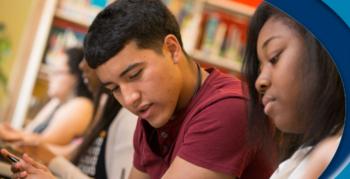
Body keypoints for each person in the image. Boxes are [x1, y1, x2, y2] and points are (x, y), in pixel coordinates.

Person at [242, 2, 345, 178]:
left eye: (274, 58)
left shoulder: (328, 157)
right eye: (259, 70)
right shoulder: (299, 160)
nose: (260, 82)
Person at [1, 59, 138, 179]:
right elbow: (72, 153)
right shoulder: (104, 108)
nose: (82, 65)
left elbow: (49, 144)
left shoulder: (125, 117)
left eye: (89, 56)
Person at [0, 47, 94, 151]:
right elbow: (29, 133)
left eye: (57, 72)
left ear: (76, 76)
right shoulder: (57, 102)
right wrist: (13, 132)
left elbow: (41, 145)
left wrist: (12, 135)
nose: (51, 77)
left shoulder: (81, 105)